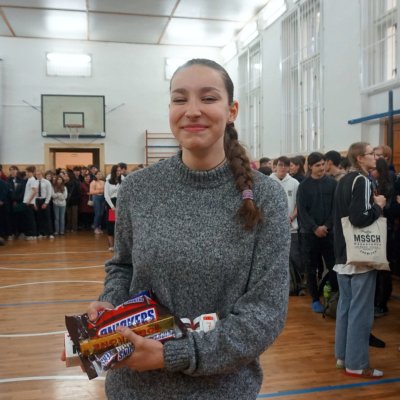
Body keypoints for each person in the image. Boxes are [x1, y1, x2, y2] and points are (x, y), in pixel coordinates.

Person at [69, 58, 290, 399]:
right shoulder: (138, 188)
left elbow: (265, 312)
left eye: (208, 98)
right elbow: (123, 266)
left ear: (232, 110)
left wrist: (172, 354)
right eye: (180, 99)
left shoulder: (266, 197)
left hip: (223, 389)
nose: (192, 110)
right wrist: (110, 302)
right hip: (134, 387)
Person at [333, 142, 386, 378]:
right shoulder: (362, 181)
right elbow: (359, 217)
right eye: (371, 153)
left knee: (345, 307)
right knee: (361, 311)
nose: (375, 156)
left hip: (343, 253)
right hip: (360, 254)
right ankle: (357, 363)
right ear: (360, 158)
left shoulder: (343, 180)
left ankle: (343, 356)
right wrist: (378, 206)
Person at [296, 152, 337, 313]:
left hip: (328, 233)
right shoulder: (304, 186)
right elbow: (302, 211)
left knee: (334, 266)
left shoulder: (332, 184)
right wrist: (314, 228)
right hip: (309, 234)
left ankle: (332, 294)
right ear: (310, 167)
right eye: (317, 165)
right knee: (311, 268)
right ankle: (314, 298)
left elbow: (335, 208)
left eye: (323, 164)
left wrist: (326, 226)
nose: (321, 167)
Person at [270, 156, 303, 295]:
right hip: (272, 230)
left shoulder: (295, 183)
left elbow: (298, 205)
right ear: (275, 166)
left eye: (286, 165)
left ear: (289, 167)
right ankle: (276, 287)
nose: (283, 168)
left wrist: (291, 217)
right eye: (280, 165)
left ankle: (299, 286)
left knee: (295, 257)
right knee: (275, 260)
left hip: (291, 228)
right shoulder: (268, 181)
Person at [104, 164, 122, 251]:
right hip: (111, 204)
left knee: (120, 224)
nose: (119, 172)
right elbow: (106, 195)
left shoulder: (122, 180)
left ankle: (119, 246)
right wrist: (112, 207)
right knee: (111, 224)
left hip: (120, 203)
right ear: (114, 171)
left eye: (120, 170)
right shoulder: (108, 182)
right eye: (117, 170)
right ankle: (111, 246)